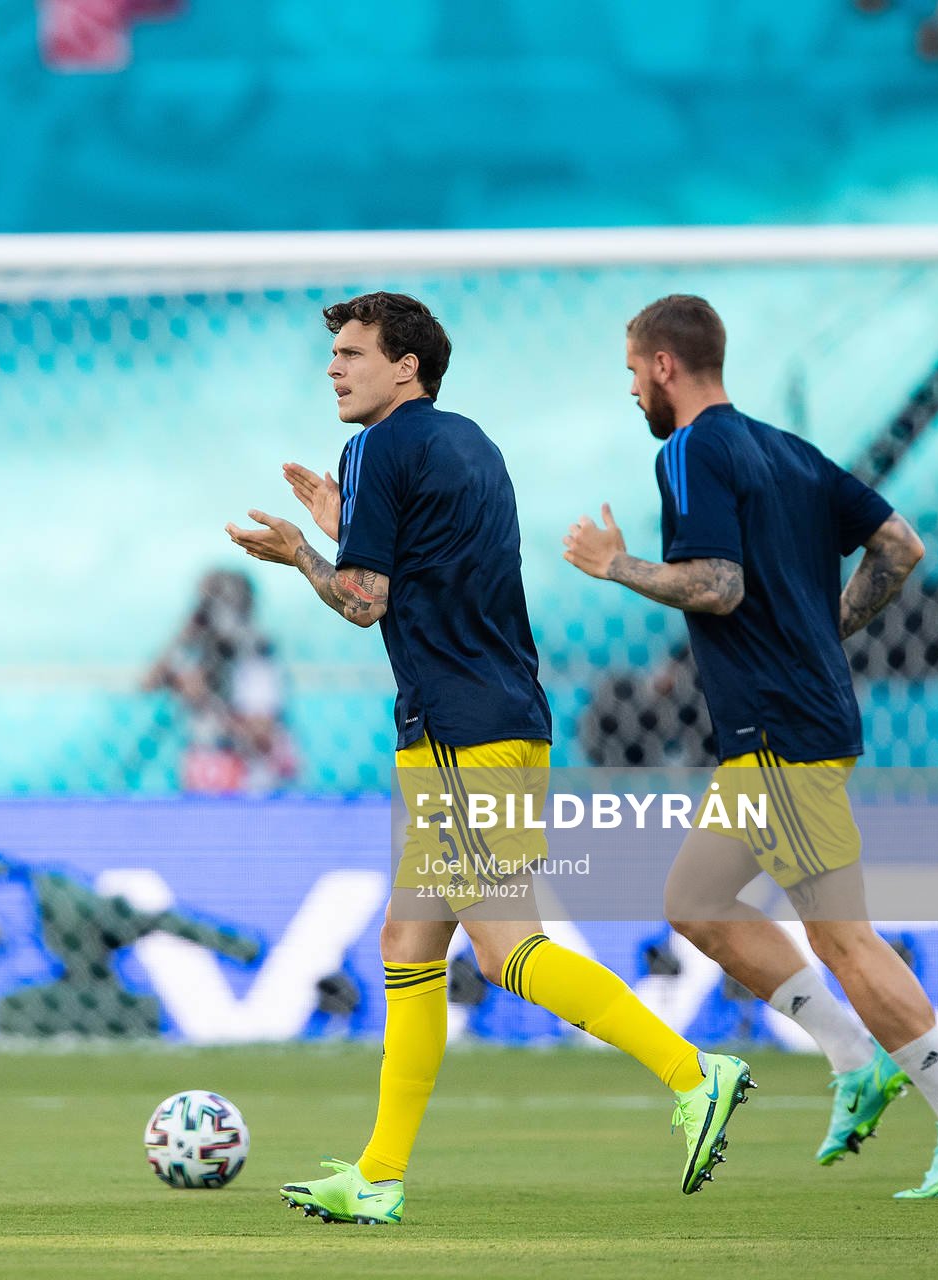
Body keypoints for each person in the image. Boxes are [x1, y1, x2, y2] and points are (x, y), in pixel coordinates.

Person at [226, 291, 750, 1226]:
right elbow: (431, 564)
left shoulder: (376, 448)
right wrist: (352, 522)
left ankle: (692, 1072)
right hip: (498, 718)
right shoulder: (469, 443)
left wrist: (304, 552)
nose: (335, 369)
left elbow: (365, 602)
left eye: (353, 353)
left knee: (507, 947)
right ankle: (379, 1175)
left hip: (457, 731)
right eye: (333, 356)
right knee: (408, 942)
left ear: (406, 367)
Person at [562, 293, 938, 1199]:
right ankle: (855, 1058)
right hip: (788, 725)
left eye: (633, 371)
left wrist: (617, 565)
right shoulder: (789, 451)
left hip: (780, 733)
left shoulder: (688, 450)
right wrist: (823, 631)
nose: (632, 390)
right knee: (697, 902)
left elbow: (718, 585)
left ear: (664, 366)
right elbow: (900, 547)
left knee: (843, 939)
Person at [143, 568, 298, 794]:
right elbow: (148, 683)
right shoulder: (201, 649)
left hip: (248, 778)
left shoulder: (256, 652)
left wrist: (203, 696)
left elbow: (261, 734)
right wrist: (184, 636)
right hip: (206, 770)